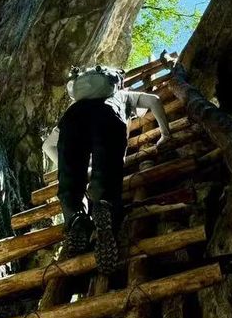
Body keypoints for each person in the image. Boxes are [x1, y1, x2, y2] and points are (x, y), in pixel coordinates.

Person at [45, 64, 172, 273]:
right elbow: (154, 100)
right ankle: (103, 206)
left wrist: (73, 168)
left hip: (72, 121)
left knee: (71, 185)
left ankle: (75, 217)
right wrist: (166, 134)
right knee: (106, 177)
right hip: (109, 116)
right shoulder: (122, 95)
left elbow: (47, 145)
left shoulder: (76, 105)